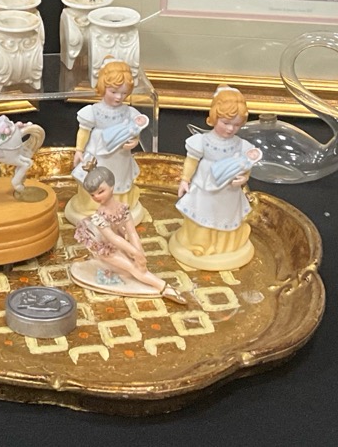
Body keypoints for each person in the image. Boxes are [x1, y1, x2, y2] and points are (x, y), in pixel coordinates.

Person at [170, 85, 262, 271]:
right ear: (214, 117)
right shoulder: (202, 141)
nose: (230, 129)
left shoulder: (242, 145)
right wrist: (185, 180)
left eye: (236, 125)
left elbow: (246, 166)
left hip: (228, 192)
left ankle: (223, 246)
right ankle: (200, 244)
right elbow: (191, 161)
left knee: (225, 217)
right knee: (202, 215)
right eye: (226, 123)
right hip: (206, 188)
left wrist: (244, 178)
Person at [71, 165, 186, 303]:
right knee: (133, 268)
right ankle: (164, 288)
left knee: (135, 266)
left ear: (112, 186)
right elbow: (113, 239)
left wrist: (139, 251)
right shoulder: (99, 217)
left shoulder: (123, 208)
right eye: (92, 195)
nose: (96, 197)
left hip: (120, 243)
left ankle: (109, 266)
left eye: (100, 191)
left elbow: (132, 233)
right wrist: (135, 253)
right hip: (107, 248)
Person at [64, 59, 149, 226]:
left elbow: (135, 131)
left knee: (118, 178)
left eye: (123, 93)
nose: (119, 97)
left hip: (120, 157)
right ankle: (93, 207)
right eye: (114, 92)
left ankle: (118, 207)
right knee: (95, 179)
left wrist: (134, 141)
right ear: (103, 87)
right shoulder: (94, 111)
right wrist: (79, 150)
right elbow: (84, 131)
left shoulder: (129, 112)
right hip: (99, 154)